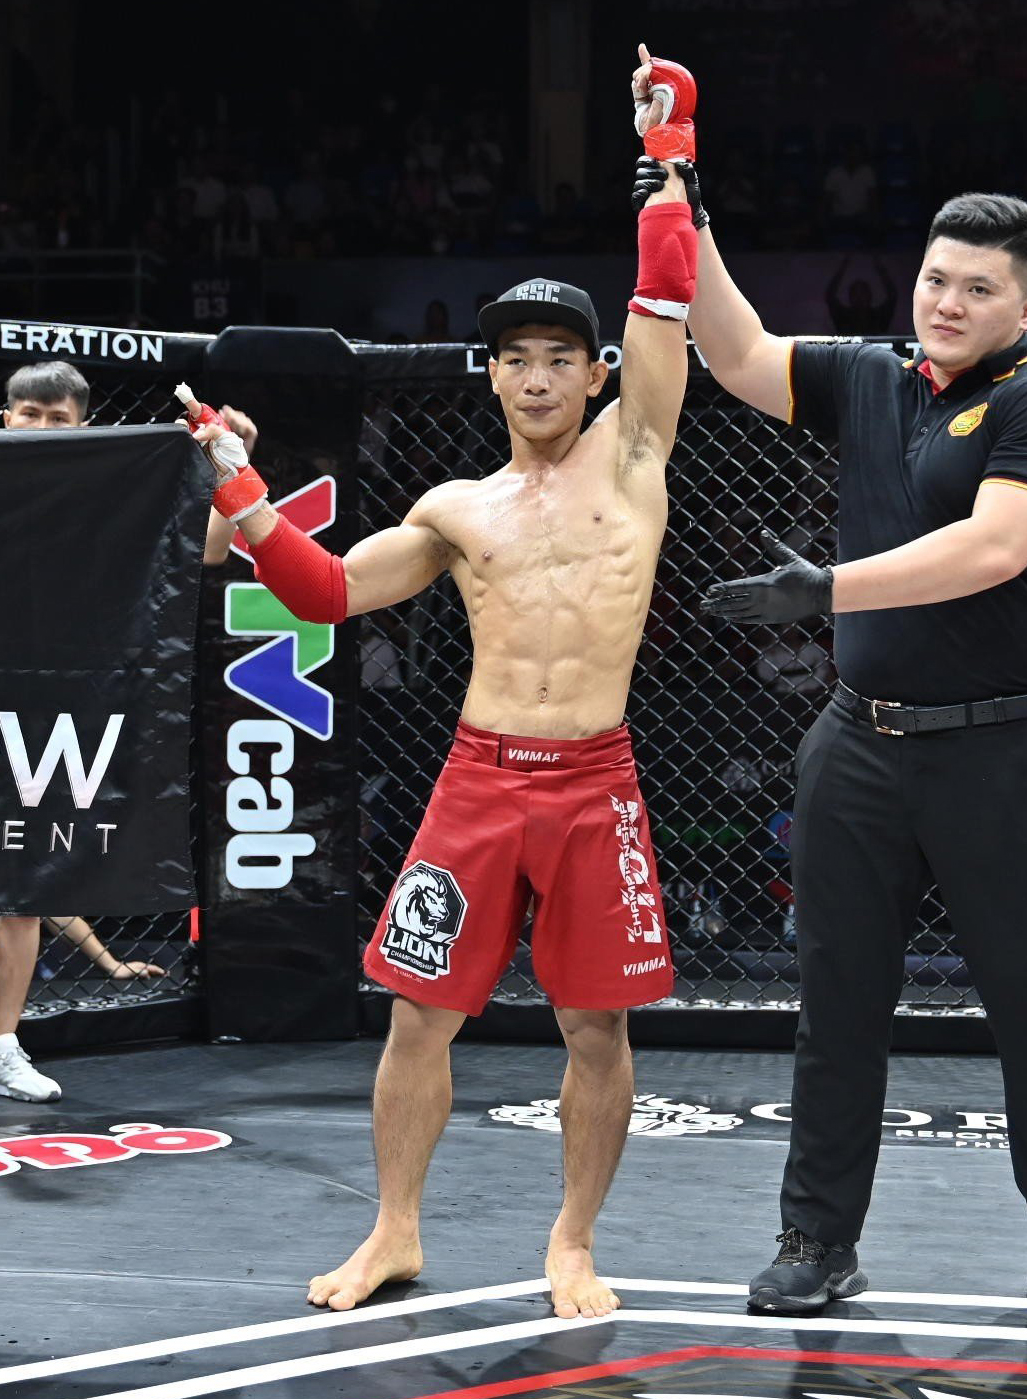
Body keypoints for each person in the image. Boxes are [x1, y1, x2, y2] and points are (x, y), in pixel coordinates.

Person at [672, 59, 1027, 1332]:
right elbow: (735, 353)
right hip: (859, 747)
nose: (947, 301)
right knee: (835, 1008)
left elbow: (993, 548)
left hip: (1000, 750)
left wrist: (824, 588)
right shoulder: (872, 377)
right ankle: (815, 1242)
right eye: (937, 278)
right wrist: (681, 195)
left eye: (977, 289)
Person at [212, 152, 698, 1320]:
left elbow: (665, 300)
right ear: (490, 376)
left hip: (592, 779)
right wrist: (239, 488)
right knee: (417, 1014)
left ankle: (572, 1243)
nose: (536, 378)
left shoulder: (634, 453)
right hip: (480, 778)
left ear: (597, 373)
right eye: (515, 358)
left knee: (596, 1025)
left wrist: (670, 162)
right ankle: (394, 1229)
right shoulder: (456, 508)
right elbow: (326, 592)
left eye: (560, 358)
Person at [0, 363, 250, 1115]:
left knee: (28, 889)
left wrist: (228, 466)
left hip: (57, 699)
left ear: (83, 426)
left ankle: (1, 1049)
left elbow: (208, 550)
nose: (42, 428)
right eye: (29, 413)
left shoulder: (110, 487)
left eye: (58, 418)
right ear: (5, 418)